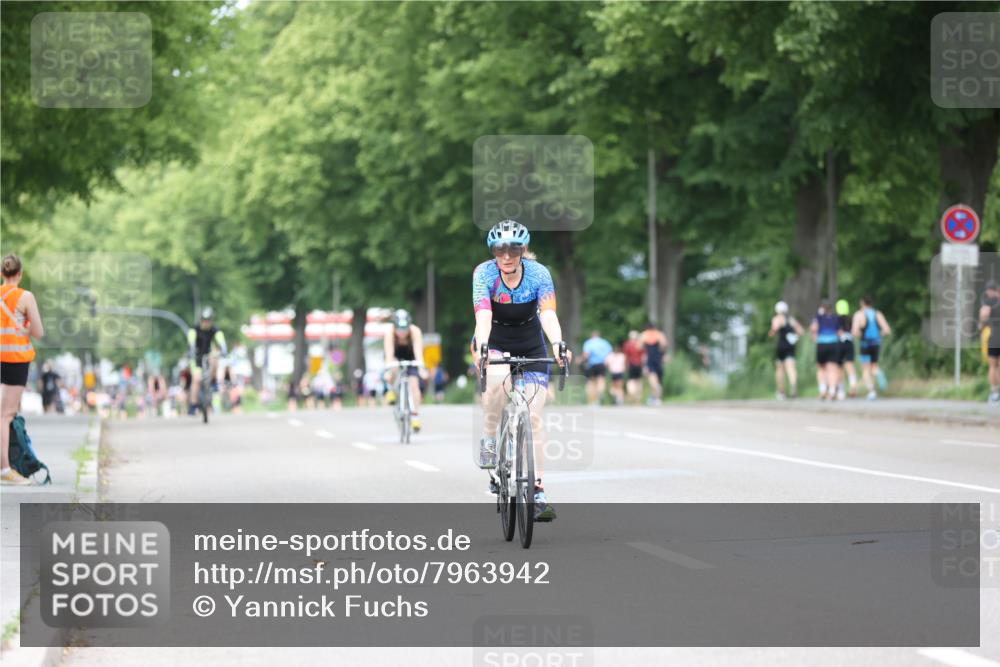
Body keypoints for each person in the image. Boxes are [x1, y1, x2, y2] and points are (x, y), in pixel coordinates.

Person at [472, 219, 570, 522]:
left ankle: (537, 491)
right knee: (497, 387)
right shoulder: (484, 273)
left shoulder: (539, 274)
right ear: (493, 251)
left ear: (522, 250)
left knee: (535, 418)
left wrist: (557, 343)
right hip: (495, 339)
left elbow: (548, 313)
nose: (506, 257)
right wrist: (485, 349)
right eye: (500, 250)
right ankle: (491, 443)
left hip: (530, 343)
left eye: (513, 250)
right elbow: (484, 316)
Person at [1, 254, 45, 485]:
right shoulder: (25, 297)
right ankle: (5, 470)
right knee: (6, 415)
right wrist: (26, 328)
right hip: (14, 359)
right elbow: (38, 332)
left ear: (2, 273)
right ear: (20, 274)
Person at [384, 309, 425, 432]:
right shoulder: (389, 333)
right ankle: (391, 389)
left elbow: (418, 351)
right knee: (393, 368)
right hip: (395, 355)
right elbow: (389, 353)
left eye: (405, 329)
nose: (402, 333)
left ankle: (415, 415)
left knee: (414, 386)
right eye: (399, 329)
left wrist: (421, 368)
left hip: (410, 356)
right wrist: (389, 369)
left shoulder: (415, 331)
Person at [187, 307, 228, 415]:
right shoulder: (194, 329)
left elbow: (220, 338)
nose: (206, 323)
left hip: (208, 354)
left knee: (214, 358)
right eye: (204, 320)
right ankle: (193, 405)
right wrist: (191, 350)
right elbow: (191, 340)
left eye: (208, 320)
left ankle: (213, 381)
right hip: (196, 356)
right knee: (196, 380)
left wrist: (224, 348)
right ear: (200, 320)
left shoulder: (214, 329)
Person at [852, 295, 891, 400]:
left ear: (862, 303)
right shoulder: (877, 314)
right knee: (874, 366)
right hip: (876, 343)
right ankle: (879, 373)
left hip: (865, 344)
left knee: (865, 369)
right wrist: (878, 334)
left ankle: (871, 391)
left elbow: (855, 332)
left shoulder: (859, 315)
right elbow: (887, 330)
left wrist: (861, 335)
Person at [768, 301, 803, 400]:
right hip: (791, 346)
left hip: (781, 345)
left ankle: (781, 391)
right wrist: (795, 336)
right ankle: (793, 386)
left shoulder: (777, 319)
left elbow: (773, 331)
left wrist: (773, 331)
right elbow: (800, 331)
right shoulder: (791, 320)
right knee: (791, 367)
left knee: (780, 369)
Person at [811, 300, 842, 400]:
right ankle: (832, 391)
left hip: (822, 343)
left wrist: (815, 337)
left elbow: (813, 329)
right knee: (832, 368)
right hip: (833, 343)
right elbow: (839, 332)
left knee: (821, 368)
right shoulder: (835, 318)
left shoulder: (818, 317)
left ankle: (823, 390)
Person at [978, 280, 1000, 403]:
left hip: (996, 335)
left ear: (989, 291)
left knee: (993, 365)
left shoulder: (990, 301)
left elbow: (984, 314)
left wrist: (981, 326)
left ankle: (995, 394)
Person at [581, 331, 612, 405]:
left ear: (592, 336)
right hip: (602, 364)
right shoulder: (604, 342)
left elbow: (586, 354)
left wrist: (581, 360)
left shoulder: (589, 343)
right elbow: (610, 354)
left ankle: (592, 400)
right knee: (601, 381)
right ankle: (600, 395)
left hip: (592, 364)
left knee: (591, 382)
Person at [640, 322, 668, 405]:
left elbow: (639, 346)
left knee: (652, 377)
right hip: (658, 357)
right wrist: (662, 353)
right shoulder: (659, 334)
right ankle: (657, 396)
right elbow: (664, 344)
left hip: (650, 358)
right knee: (659, 378)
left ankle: (655, 396)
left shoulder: (644, 334)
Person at [835, 299, 858, 399]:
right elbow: (854, 332)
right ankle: (853, 386)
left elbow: (836, 332)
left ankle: (841, 390)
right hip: (849, 343)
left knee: (840, 368)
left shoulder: (836, 319)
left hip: (839, 343)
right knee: (850, 365)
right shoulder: (851, 318)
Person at [622, 330, 644, 403]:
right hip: (639, 364)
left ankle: (632, 394)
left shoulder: (627, 344)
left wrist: (625, 366)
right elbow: (643, 356)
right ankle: (638, 396)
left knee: (631, 381)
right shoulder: (640, 344)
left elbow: (626, 356)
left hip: (631, 364)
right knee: (638, 381)